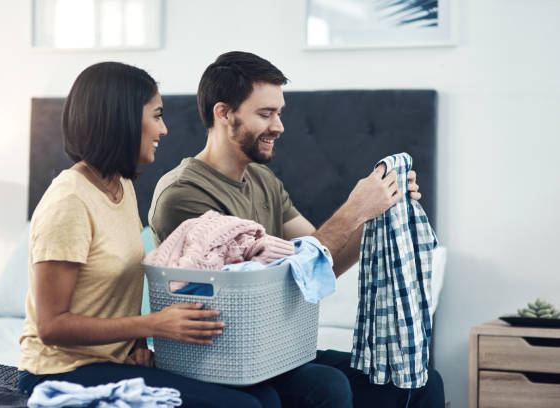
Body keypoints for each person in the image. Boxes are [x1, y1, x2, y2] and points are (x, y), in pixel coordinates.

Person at [149, 51, 446, 408]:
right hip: (224, 356)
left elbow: (321, 264)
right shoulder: (183, 194)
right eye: (266, 114)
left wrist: (378, 213)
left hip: (274, 349)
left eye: (279, 113)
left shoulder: (262, 180)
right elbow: (272, 285)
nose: (279, 126)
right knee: (327, 385)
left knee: (420, 380)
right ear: (224, 113)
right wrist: (353, 208)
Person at [18, 61, 282, 408]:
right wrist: (151, 325)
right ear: (123, 120)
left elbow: (110, 295)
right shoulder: (69, 201)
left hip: (113, 359)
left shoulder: (121, 185)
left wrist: (138, 343)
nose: (165, 129)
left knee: (262, 395)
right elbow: (52, 327)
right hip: (59, 370)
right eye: (156, 116)